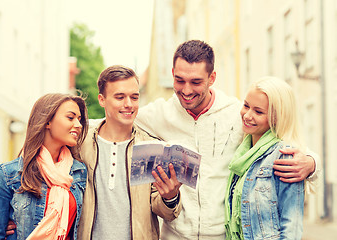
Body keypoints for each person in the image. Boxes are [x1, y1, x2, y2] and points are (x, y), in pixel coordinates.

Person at [135, 40, 318, 239]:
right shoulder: (159, 114)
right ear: (172, 73)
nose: (186, 90)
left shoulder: (238, 114)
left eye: (196, 82)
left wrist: (312, 162)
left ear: (212, 77)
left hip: (224, 235)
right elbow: (115, 120)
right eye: (180, 80)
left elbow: (282, 141)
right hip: (175, 235)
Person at [77, 65, 182, 240]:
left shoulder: (152, 148)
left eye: (134, 97)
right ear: (102, 100)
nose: (129, 104)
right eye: (120, 97)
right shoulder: (81, 141)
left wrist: (170, 197)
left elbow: (166, 213)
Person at [0, 93, 89, 239]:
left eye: (79, 119)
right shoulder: (9, 174)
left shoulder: (78, 172)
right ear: (47, 122)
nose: (78, 125)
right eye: (70, 118)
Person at [225, 77, 304, 240]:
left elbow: (292, 226)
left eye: (258, 111)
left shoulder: (285, 155)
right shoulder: (242, 152)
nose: (247, 115)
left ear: (276, 117)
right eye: (246, 106)